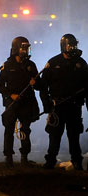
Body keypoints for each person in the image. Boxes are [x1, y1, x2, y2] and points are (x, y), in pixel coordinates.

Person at [39, 34, 88, 170]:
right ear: (63, 46)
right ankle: (50, 162)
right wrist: (46, 104)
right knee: (54, 136)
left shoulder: (81, 63)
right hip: (57, 107)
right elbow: (43, 87)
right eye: (70, 45)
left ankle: (77, 162)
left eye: (74, 45)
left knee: (74, 136)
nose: (73, 48)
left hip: (74, 106)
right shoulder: (53, 63)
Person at [0, 36, 41, 167]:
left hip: (26, 103)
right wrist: (10, 95)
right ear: (17, 48)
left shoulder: (31, 65)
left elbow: (40, 85)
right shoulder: (7, 65)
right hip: (12, 103)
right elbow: (0, 86)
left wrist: (35, 82)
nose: (26, 50)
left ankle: (24, 157)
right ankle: (9, 157)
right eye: (24, 48)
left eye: (27, 48)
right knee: (9, 130)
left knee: (25, 129)